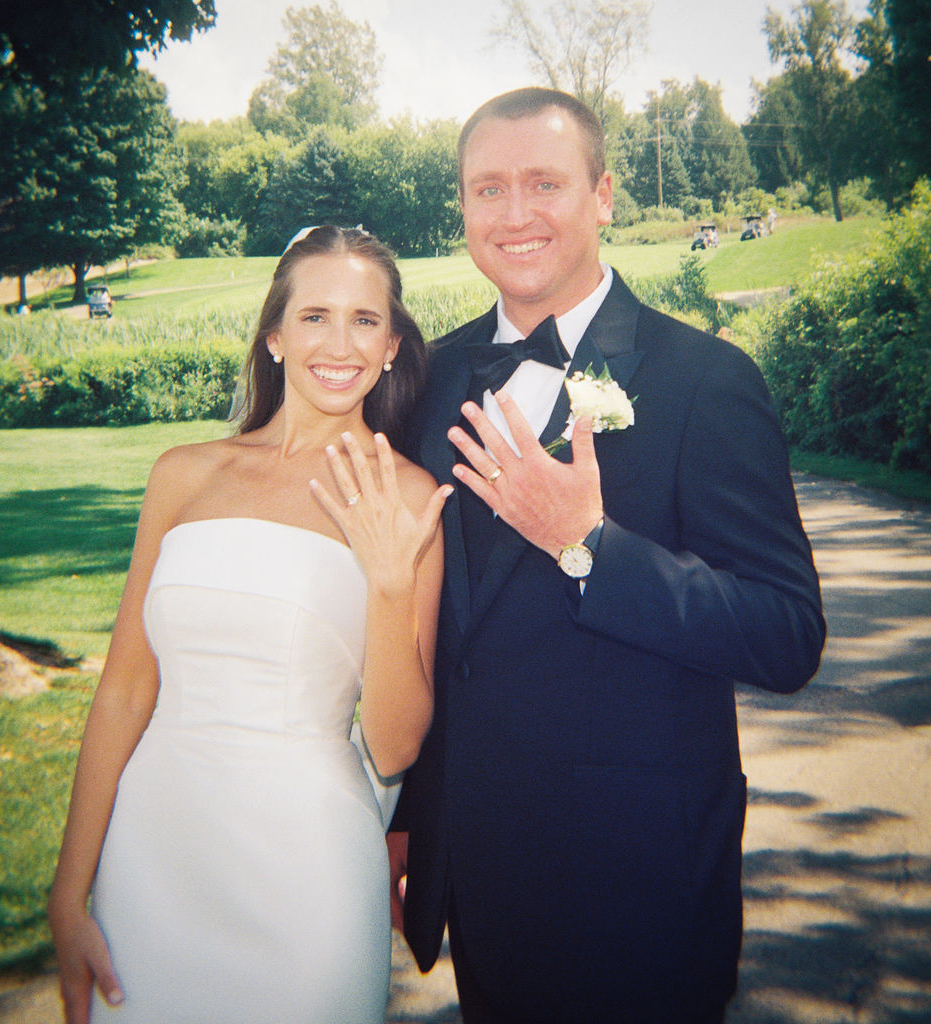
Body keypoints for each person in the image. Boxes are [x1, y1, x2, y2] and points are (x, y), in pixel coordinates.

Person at [387, 88, 826, 1023]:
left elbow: (787, 634)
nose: (515, 215)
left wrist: (589, 546)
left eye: (545, 183)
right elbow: (431, 628)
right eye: (487, 189)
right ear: (462, 207)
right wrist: (409, 820)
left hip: (641, 885)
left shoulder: (706, 380)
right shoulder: (429, 382)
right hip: (485, 877)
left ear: (603, 196)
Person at [48, 225, 452, 1024]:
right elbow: (127, 691)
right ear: (273, 335)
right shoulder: (182, 475)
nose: (340, 343)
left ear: (394, 347)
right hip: (154, 854)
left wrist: (386, 580)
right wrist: (68, 893)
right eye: (315, 316)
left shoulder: (409, 498)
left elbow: (397, 745)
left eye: (366, 320)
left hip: (310, 870)